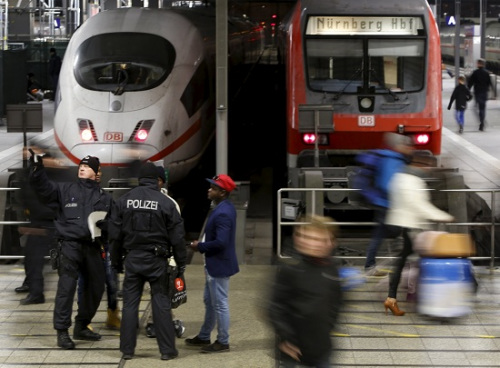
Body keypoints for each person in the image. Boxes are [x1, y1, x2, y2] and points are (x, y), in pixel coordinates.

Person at [29, 153, 112, 349]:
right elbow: (43, 188)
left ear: (96, 173)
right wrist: (37, 169)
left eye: (87, 166)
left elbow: (114, 223)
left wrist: (106, 227)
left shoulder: (104, 197)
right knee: (66, 288)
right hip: (69, 245)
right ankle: (62, 331)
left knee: (96, 287)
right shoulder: (64, 189)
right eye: (81, 165)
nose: (82, 168)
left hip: (92, 246)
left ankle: (82, 325)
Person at [109, 162, 187, 361]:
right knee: (161, 304)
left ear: (140, 179)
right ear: (157, 180)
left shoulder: (123, 201)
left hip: (133, 259)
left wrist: (116, 262)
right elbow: (178, 238)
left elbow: (115, 236)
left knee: (130, 305)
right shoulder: (166, 203)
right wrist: (181, 263)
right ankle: (167, 351)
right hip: (157, 261)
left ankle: (127, 350)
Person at [268, 214, 343, 368]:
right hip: (292, 350)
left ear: (330, 242)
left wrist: (326, 328)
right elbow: (275, 306)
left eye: (316, 239)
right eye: (304, 236)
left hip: (321, 348)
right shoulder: (290, 268)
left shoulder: (332, 269)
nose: (308, 242)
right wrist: (285, 337)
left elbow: (337, 302)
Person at [383, 165, 454, 316]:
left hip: (403, 226)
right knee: (422, 260)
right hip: (411, 228)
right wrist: (442, 216)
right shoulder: (413, 181)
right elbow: (419, 205)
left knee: (402, 261)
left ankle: (392, 298)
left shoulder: (398, 178)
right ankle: (422, 298)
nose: (428, 169)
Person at [186, 174, 239, 353]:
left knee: (220, 303)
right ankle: (204, 335)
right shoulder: (224, 207)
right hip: (214, 264)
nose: (209, 190)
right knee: (209, 301)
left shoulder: (223, 212)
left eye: (213, 188)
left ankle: (223, 341)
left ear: (222, 192)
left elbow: (221, 242)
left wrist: (199, 246)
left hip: (219, 265)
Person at [364, 133, 413, 276]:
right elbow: (387, 184)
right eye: (406, 145)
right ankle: (399, 265)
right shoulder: (393, 159)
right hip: (388, 204)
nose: (410, 148)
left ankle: (370, 265)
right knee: (402, 233)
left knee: (379, 235)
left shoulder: (392, 158)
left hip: (384, 203)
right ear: (398, 146)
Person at [145, 165, 184, 339]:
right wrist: (179, 261)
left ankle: (152, 323)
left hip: (138, 256)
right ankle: (161, 324)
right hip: (161, 256)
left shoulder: (133, 199)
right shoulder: (170, 203)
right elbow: (176, 235)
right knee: (162, 292)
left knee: (153, 293)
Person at [467, 58, 494, 131]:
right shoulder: (487, 73)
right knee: (482, 108)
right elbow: (490, 83)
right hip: (484, 93)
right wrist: (492, 92)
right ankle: (482, 121)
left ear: (478, 64)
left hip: (477, 92)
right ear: (483, 64)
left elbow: (470, 83)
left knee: (475, 108)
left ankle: (481, 121)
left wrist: (467, 91)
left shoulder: (475, 72)